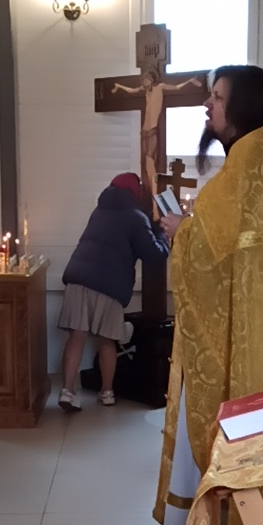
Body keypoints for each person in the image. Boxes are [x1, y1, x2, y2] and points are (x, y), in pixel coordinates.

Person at [153, 64, 263, 525]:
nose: (207, 105)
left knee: (210, 424)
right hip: (239, 327)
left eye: (217, 97)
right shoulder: (255, 169)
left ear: (241, 108)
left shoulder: (236, 179)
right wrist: (192, 227)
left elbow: (203, 260)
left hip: (219, 337)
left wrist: (179, 231)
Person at [58, 172, 169, 412]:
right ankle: (107, 392)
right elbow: (153, 255)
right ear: (136, 193)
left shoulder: (99, 212)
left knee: (76, 336)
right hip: (109, 285)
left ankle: (67, 392)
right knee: (108, 339)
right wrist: (162, 234)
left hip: (78, 278)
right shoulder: (136, 217)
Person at [110, 70, 203, 202]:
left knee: (152, 167)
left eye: (147, 79)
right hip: (144, 131)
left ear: (152, 79)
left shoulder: (160, 87)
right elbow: (131, 91)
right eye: (144, 80)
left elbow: (176, 87)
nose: (145, 82)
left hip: (153, 131)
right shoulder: (145, 91)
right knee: (147, 168)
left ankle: (155, 203)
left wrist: (190, 81)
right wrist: (118, 86)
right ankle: (151, 199)